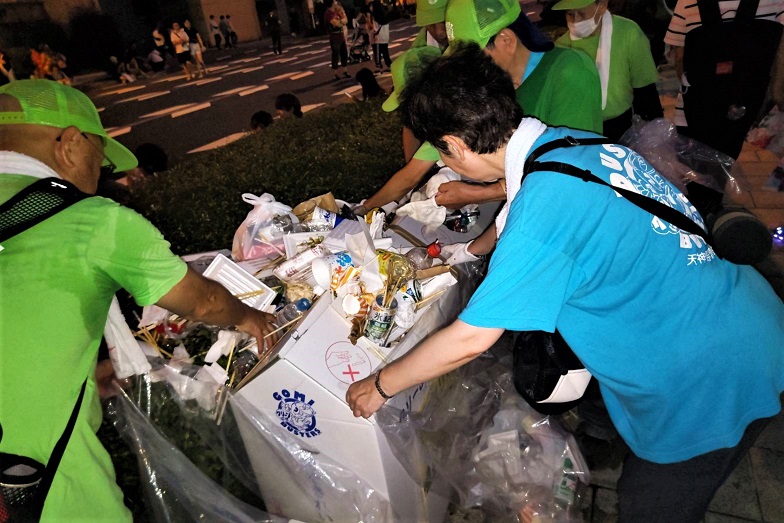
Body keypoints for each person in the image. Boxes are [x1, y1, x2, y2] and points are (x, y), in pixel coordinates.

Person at [346, 43, 784, 521]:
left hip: (707, 376)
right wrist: (465, 253)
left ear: (455, 146)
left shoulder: (544, 208)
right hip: (745, 318)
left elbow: (471, 338)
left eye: (442, 153)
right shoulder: (565, 144)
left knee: (650, 506)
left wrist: (380, 385)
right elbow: (519, 208)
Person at [0, 79, 278, 521]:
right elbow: (203, 302)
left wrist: (83, 372)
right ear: (71, 143)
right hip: (34, 477)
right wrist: (253, 319)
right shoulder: (89, 221)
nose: (100, 174)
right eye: (101, 157)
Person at [356, 0, 602, 214]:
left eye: (475, 57)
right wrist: (363, 208)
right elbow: (416, 167)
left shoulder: (569, 73)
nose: (469, 71)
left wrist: (477, 193)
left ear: (506, 40)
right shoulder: (489, 84)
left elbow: (569, 170)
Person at [664, 0, 784, 159]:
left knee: (692, 171)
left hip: (696, 108)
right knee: (724, 166)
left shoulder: (687, 2)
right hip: (743, 108)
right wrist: (777, 95)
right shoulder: (774, 2)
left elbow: (679, 59)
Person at [552, 0, 663, 141]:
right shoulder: (561, 46)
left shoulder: (627, 32)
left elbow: (645, 90)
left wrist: (655, 132)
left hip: (622, 127)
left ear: (602, 6)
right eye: (570, 14)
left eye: (582, 13)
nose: (576, 20)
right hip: (581, 130)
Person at [325, 0, 352, 80]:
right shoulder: (328, 13)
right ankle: (335, 73)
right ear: (332, 3)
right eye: (334, 1)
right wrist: (341, 22)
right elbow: (335, 23)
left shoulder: (337, 10)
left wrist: (341, 22)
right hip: (334, 37)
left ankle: (345, 71)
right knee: (336, 54)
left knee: (344, 53)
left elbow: (345, 20)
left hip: (341, 35)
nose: (336, 2)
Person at [367, 0, 391, 73]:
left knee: (377, 53)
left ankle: (379, 68)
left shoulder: (376, 17)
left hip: (378, 38)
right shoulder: (384, 16)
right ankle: (389, 66)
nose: (370, 8)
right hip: (385, 37)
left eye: (371, 7)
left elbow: (375, 29)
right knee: (385, 52)